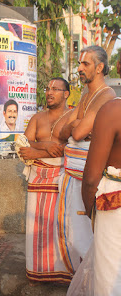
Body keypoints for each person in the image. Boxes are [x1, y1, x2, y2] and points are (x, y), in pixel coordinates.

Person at [58, 46, 116, 275]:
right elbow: (62, 131)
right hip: (72, 172)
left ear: (100, 68)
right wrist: (75, 126)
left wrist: (76, 125)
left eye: (85, 64)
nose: (79, 68)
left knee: (88, 233)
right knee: (74, 231)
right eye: (79, 63)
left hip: (88, 175)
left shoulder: (107, 96)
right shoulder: (85, 95)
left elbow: (79, 132)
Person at [19, 77, 72, 283]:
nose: (49, 92)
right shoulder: (37, 118)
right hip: (38, 178)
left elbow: (74, 147)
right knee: (38, 224)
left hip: (63, 177)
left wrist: (38, 148)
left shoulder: (73, 117)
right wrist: (45, 146)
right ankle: (39, 270)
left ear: (66, 94)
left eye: (55, 89)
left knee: (62, 224)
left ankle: (64, 271)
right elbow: (24, 145)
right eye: (47, 89)